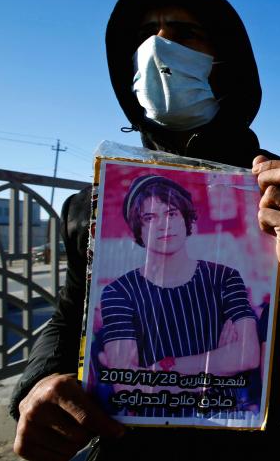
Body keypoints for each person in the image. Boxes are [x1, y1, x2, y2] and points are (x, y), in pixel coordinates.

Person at [10, 0, 280, 460]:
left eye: (184, 33)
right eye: (143, 37)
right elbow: (70, 317)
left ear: (225, 59)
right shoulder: (93, 206)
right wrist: (36, 385)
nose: (157, 48)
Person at [96, 174, 260, 418]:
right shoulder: (119, 292)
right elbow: (126, 384)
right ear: (138, 230)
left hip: (225, 419)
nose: (163, 225)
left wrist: (166, 366)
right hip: (154, 422)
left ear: (187, 220)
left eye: (172, 213)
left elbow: (248, 356)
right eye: (150, 218)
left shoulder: (225, 277)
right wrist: (216, 370)